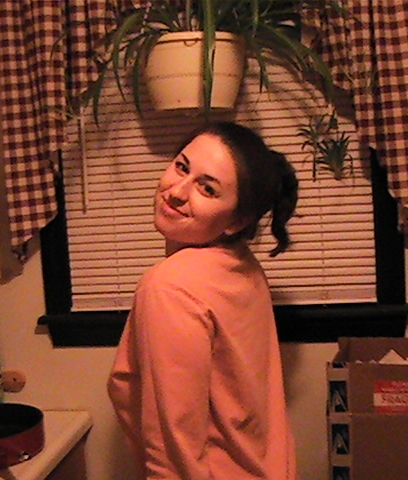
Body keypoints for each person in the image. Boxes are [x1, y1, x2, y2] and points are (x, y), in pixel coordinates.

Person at [107, 121, 299, 480]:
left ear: (237, 220)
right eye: (182, 167)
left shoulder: (170, 287)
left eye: (207, 189)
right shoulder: (241, 264)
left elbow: (174, 448)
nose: (177, 192)